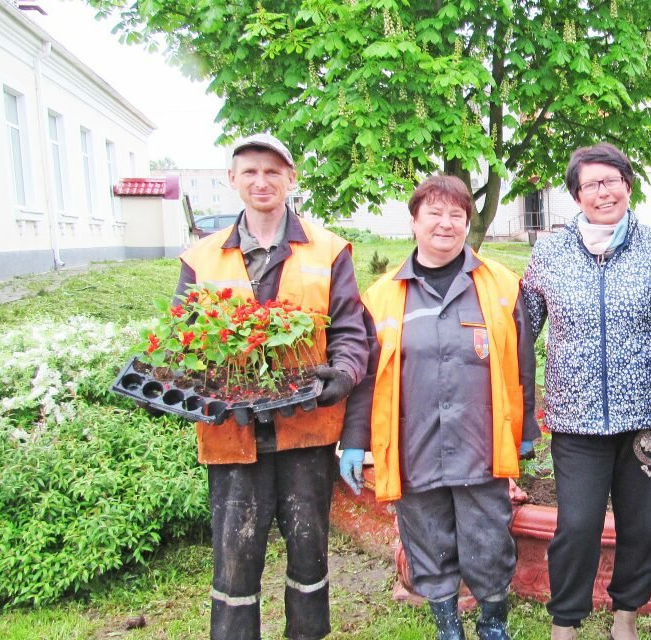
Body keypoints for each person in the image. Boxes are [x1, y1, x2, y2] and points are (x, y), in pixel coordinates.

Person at [176, 133, 369, 640]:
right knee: (235, 558)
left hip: (305, 428)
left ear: (291, 177)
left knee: (309, 550)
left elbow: (350, 330)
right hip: (230, 434)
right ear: (232, 180)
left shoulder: (327, 250)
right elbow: (184, 340)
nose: (262, 181)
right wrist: (185, 386)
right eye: (250, 171)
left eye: (273, 171)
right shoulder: (201, 257)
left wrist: (343, 374)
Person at [338, 175, 538, 640]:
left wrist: (524, 430)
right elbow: (367, 376)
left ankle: (493, 625)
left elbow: (521, 364)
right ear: (413, 221)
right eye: (434, 213)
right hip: (414, 446)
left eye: (457, 215)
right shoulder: (382, 296)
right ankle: (449, 627)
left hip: (481, 445)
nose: (445, 225)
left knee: (488, 543)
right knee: (428, 542)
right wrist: (354, 441)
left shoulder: (502, 285)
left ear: (467, 223)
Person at [521, 143, 651, 640]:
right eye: (591, 184)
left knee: (643, 526)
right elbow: (523, 329)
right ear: (576, 194)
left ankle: (625, 619)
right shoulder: (548, 252)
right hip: (576, 420)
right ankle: (565, 623)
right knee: (576, 525)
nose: (603, 192)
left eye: (612, 180)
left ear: (628, 184)